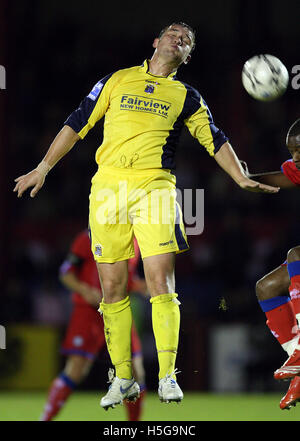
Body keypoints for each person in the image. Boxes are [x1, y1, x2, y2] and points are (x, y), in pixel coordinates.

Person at [14, 22, 279, 410]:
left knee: (160, 280)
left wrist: (239, 175)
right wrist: (43, 167)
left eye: (187, 39)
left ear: (187, 56)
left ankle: (168, 375)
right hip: (107, 189)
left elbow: (215, 137)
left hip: (155, 189)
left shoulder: (186, 95)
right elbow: (77, 121)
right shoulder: (117, 80)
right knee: (113, 290)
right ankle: (122, 378)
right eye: (173, 32)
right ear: (156, 42)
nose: (180, 38)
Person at [40, 230, 147, 421]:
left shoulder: (134, 242)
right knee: (77, 370)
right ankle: (45, 419)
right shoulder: (88, 238)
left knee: (136, 373)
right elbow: (66, 272)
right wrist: (84, 290)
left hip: (118, 312)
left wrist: (141, 286)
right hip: (89, 312)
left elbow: (125, 279)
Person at [242, 118, 300, 410]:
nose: (296, 158)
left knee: (296, 255)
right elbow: (274, 180)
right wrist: (245, 176)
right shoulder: (298, 167)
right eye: (292, 151)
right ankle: (299, 364)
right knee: (266, 287)